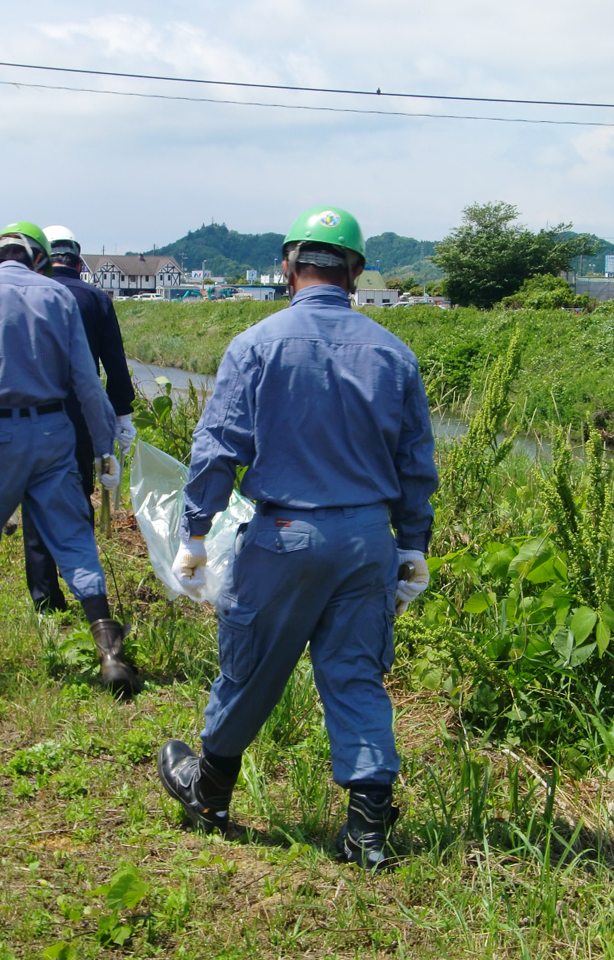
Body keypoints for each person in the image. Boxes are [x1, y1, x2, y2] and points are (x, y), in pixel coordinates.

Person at [156, 207, 439, 869]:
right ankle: (367, 833)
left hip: (286, 533)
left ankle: (211, 790)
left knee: (250, 666)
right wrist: (413, 543)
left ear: (288, 267)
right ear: (358, 273)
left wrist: (195, 531)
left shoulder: (256, 344)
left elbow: (217, 448)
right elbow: (416, 463)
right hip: (369, 536)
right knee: (356, 676)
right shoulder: (394, 355)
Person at [0, 221, 136, 695]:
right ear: (38, 257)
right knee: (74, 538)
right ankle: (109, 651)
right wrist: (105, 448)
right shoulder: (58, 295)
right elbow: (86, 379)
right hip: (55, 430)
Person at [20, 225, 137, 612]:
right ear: (78, 259)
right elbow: (114, 364)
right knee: (78, 497)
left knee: (36, 500)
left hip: (32, 416)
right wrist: (122, 416)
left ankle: (45, 599)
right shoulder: (96, 299)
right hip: (82, 416)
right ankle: (86, 589)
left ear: (42, 256)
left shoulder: (28, 294)